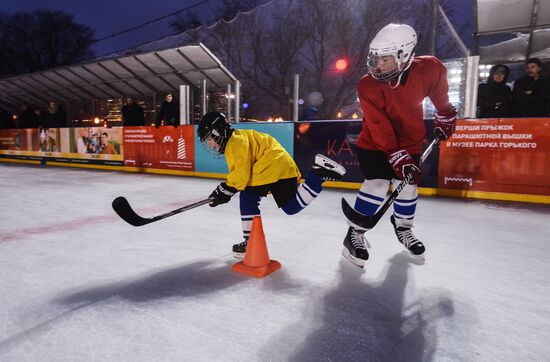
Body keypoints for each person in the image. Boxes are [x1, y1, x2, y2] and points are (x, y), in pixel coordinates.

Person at [342, 23, 457, 268]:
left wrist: (445, 113)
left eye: (384, 60)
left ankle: (403, 228)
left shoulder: (430, 68)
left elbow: (439, 92)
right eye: (374, 59)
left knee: (407, 188)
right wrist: (395, 155)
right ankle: (355, 234)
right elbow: (378, 123)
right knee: (377, 184)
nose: (377, 66)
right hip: (374, 142)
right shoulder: (367, 84)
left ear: (404, 55)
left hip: (410, 140)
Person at [198, 111, 346, 258]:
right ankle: (317, 175)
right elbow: (243, 172)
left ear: (218, 132)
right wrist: (225, 190)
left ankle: (250, 243)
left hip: (269, 166)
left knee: (248, 198)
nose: (210, 144)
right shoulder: (240, 137)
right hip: (282, 165)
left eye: (210, 138)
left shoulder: (234, 143)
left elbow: (240, 175)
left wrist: (224, 190)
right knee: (291, 207)